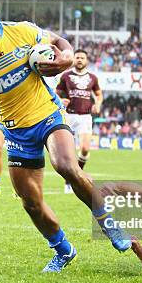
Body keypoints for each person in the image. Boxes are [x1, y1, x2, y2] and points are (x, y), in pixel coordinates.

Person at [0, 0, 130, 273]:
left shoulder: (22, 32)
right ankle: (63, 250)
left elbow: (58, 41)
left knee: (66, 165)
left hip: (47, 114)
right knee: (30, 202)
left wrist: (65, 59)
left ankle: (106, 220)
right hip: (16, 131)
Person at [55, 49, 102, 194]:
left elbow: (99, 94)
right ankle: (70, 180)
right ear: (74, 60)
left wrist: (98, 104)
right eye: (77, 57)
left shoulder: (93, 78)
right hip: (69, 116)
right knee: (68, 152)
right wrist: (60, 101)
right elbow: (56, 92)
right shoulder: (66, 76)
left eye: (82, 58)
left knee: (85, 149)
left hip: (85, 116)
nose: (80, 60)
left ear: (86, 60)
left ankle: (76, 176)